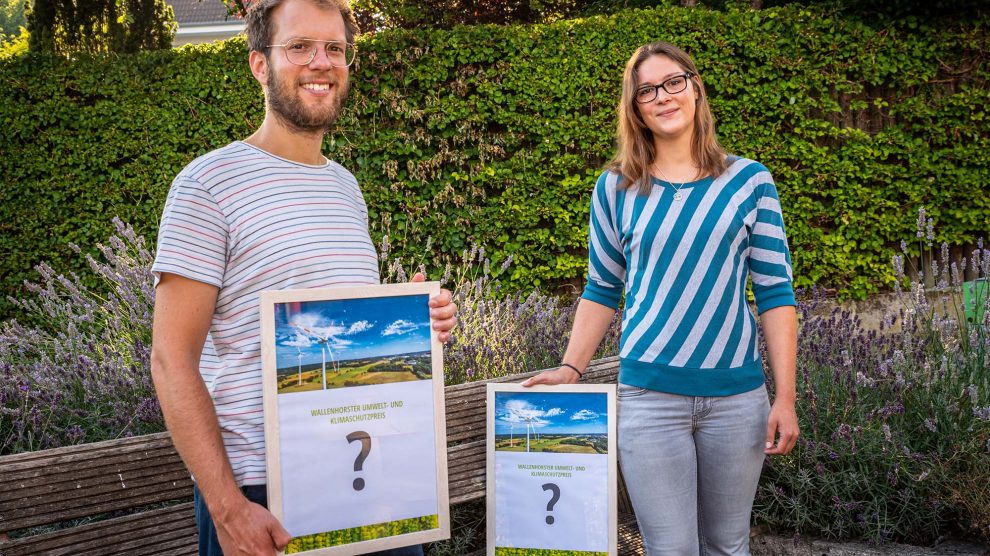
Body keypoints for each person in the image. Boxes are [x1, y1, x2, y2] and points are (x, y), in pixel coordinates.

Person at [149, 1, 457, 555]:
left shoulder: (346, 188)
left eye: (335, 49)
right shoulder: (206, 185)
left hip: (368, 475)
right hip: (264, 494)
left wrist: (417, 322)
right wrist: (229, 508)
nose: (322, 62)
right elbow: (172, 360)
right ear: (260, 65)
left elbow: (346, 333)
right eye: (299, 47)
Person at [523, 41, 799, 555]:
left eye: (674, 82)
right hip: (649, 402)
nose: (663, 96)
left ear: (695, 88)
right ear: (635, 108)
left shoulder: (750, 181)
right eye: (646, 90)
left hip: (738, 401)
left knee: (727, 546)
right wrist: (570, 368)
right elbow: (602, 287)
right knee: (670, 549)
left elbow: (775, 292)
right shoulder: (615, 188)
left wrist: (785, 397)